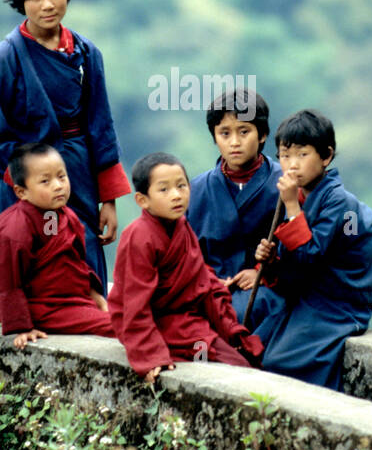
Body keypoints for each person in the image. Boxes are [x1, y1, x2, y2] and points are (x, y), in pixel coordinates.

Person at [0, 0, 131, 294]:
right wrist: (31, 181)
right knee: (29, 262)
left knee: (83, 254)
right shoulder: (3, 59)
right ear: (20, 2)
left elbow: (102, 128)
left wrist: (109, 202)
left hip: (76, 173)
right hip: (22, 181)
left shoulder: (86, 55)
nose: (47, 5)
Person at [108, 152, 264, 384]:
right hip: (161, 323)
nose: (176, 195)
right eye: (164, 189)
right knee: (234, 368)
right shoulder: (139, 236)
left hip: (187, 319)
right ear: (142, 200)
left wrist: (228, 326)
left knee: (244, 360)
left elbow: (199, 278)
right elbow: (135, 304)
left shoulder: (181, 226)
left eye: (181, 186)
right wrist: (150, 356)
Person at [253, 109, 372, 391]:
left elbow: (310, 255)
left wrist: (291, 208)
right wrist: (272, 259)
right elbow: (294, 260)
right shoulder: (302, 196)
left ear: (326, 156)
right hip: (307, 295)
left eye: (302, 154)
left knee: (280, 361)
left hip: (339, 303)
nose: (291, 164)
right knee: (254, 345)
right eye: (284, 155)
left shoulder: (338, 202)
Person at [0, 142, 117, 348]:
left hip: (69, 299)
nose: (58, 185)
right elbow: (8, 283)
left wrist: (96, 296)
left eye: (61, 176)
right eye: (45, 181)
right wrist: (22, 327)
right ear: (21, 192)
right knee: (117, 324)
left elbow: (70, 260)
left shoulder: (56, 216)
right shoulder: (13, 228)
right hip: (40, 307)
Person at [186, 88, 283, 326]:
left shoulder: (284, 184)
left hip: (264, 290)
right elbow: (185, 250)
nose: (234, 143)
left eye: (244, 131)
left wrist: (262, 272)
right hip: (208, 286)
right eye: (225, 133)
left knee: (244, 313)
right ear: (214, 137)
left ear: (262, 135)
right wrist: (208, 279)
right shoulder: (197, 190)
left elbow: (298, 247)